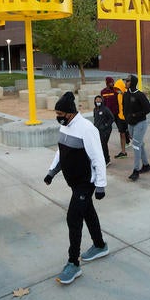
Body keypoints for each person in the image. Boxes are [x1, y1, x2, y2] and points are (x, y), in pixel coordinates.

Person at [44, 92, 108, 285]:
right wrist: (51, 172)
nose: (58, 116)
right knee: (87, 212)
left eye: (60, 113)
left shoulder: (87, 129)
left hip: (85, 183)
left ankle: (73, 263)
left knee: (73, 218)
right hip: (73, 182)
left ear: (70, 113)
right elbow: (61, 151)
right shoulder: (65, 127)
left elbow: (98, 158)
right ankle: (99, 245)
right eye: (57, 113)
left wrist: (100, 185)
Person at [122, 74, 150, 181]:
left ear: (133, 82)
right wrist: (127, 121)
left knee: (136, 145)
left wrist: (135, 115)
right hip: (130, 124)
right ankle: (146, 165)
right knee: (140, 144)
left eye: (128, 81)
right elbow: (124, 109)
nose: (125, 82)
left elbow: (148, 109)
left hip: (140, 123)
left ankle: (136, 170)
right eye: (125, 80)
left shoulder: (140, 95)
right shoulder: (125, 94)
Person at [111, 77, 131, 159]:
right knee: (122, 134)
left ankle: (140, 148)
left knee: (132, 135)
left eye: (118, 88)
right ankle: (123, 152)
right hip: (120, 117)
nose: (116, 90)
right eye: (115, 89)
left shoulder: (128, 95)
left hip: (128, 118)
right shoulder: (119, 95)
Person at [92, 94, 115, 166]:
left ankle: (107, 160)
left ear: (102, 101)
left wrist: (105, 125)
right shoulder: (95, 109)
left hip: (106, 130)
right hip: (98, 130)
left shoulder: (105, 109)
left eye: (99, 100)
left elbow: (112, 118)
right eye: (96, 100)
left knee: (103, 144)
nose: (98, 101)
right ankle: (102, 159)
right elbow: (96, 120)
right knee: (100, 145)